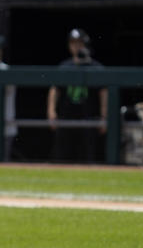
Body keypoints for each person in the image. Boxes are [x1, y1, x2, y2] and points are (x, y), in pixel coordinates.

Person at [46, 28, 108, 163]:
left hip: (89, 118)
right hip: (66, 118)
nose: (76, 46)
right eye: (73, 43)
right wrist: (51, 111)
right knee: (63, 156)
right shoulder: (64, 67)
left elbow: (104, 92)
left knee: (87, 157)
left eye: (79, 43)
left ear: (85, 44)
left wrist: (104, 116)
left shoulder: (96, 67)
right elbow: (55, 89)